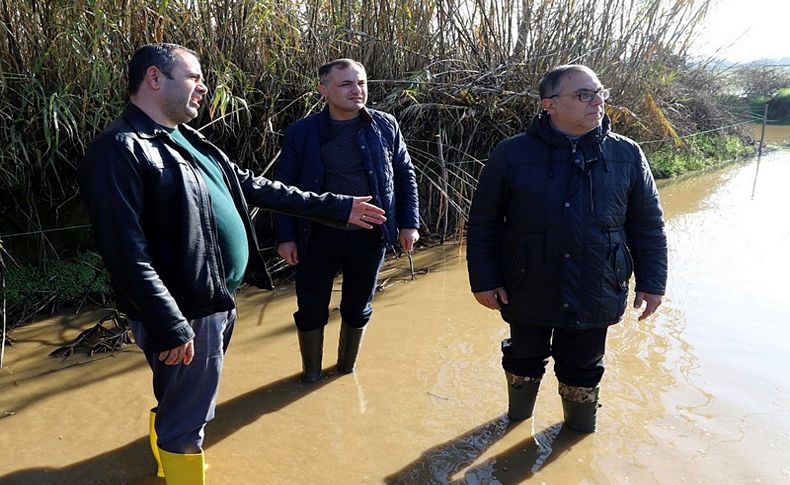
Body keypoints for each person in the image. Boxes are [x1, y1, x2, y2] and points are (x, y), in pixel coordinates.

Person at [78, 43, 386, 484]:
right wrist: (169, 323)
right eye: (193, 77)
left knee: (182, 402)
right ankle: (178, 464)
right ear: (153, 78)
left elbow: (256, 187)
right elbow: (125, 252)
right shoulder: (119, 149)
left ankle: (162, 458)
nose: (203, 87)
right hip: (186, 310)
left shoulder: (186, 138)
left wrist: (338, 207)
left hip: (215, 299)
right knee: (189, 422)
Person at [466, 64, 667, 433]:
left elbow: (648, 225)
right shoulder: (512, 154)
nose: (597, 101)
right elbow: (484, 224)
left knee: (584, 367)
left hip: (597, 281)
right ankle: (517, 423)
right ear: (550, 105)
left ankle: (576, 439)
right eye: (584, 95)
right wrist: (483, 279)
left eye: (599, 92)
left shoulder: (627, 154)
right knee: (523, 358)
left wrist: (652, 282)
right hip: (526, 281)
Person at [274, 58, 419, 383]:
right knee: (311, 309)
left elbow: (404, 174)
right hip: (316, 235)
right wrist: (286, 237)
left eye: (362, 83)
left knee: (357, 307)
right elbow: (284, 189)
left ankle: (344, 371)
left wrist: (409, 223)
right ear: (323, 90)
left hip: (369, 235)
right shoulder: (302, 133)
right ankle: (310, 374)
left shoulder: (385, 125)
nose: (357, 90)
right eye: (347, 84)